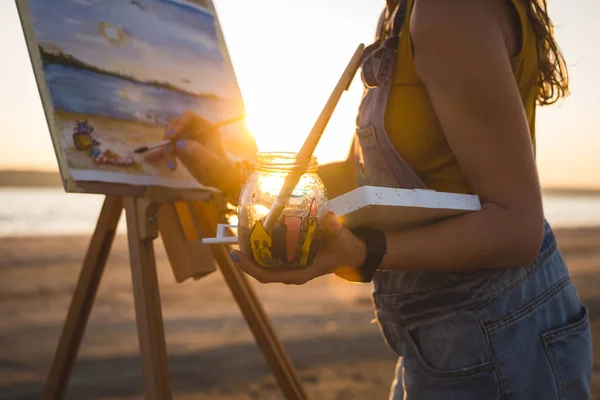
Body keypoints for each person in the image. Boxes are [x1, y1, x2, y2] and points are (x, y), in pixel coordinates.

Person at [147, 0, 593, 398]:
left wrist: (363, 252)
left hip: (499, 333)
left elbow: (518, 227)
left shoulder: (448, 12)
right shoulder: (402, 13)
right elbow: (363, 179)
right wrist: (236, 176)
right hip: (439, 334)